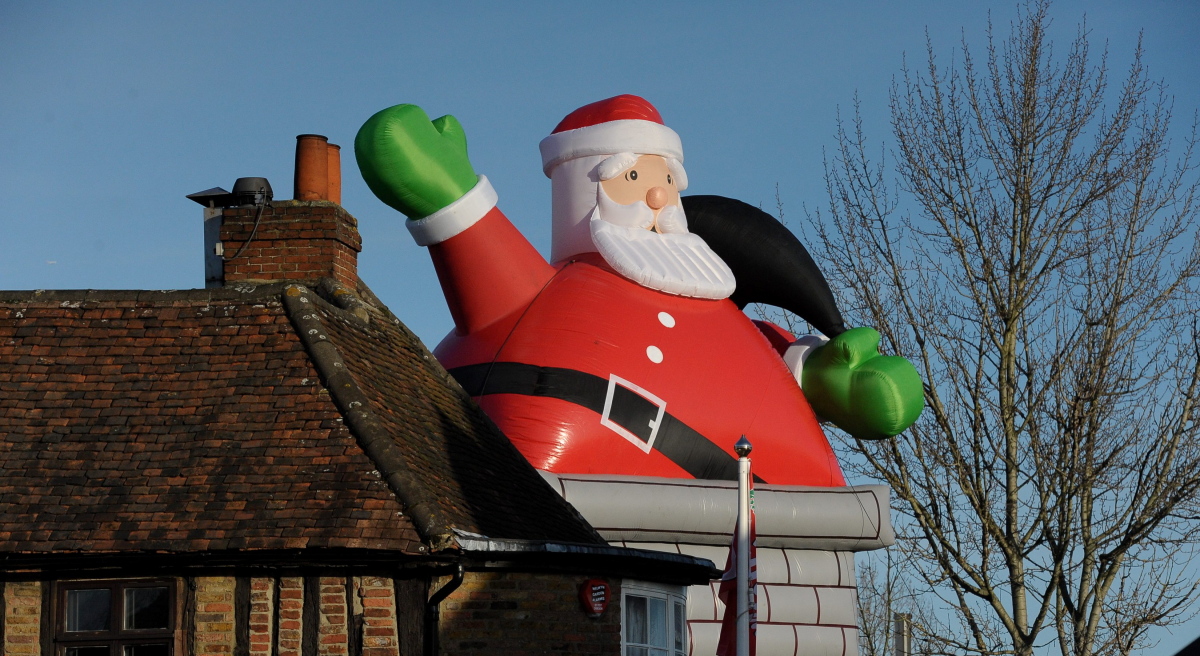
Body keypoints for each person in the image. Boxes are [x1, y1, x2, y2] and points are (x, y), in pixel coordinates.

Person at [355, 95, 923, 485]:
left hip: (761, 537)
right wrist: (453, 199)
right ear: (588, 189)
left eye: (666, 182)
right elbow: (491, 292)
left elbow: (777, 367)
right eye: (633, 179)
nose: (658, 199)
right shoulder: (545, 301)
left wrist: (831, 378)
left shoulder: (718, 305)